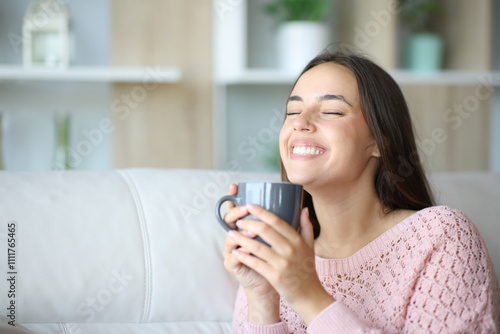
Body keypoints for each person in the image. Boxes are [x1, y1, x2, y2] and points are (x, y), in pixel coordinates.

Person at [222, 51, 500, 333]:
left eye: (331, 111)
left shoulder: (442, 236)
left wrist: (307, 295)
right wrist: (263, 300)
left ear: (380, 142)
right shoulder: (274, 258)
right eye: (292, 112)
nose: (299, 122)